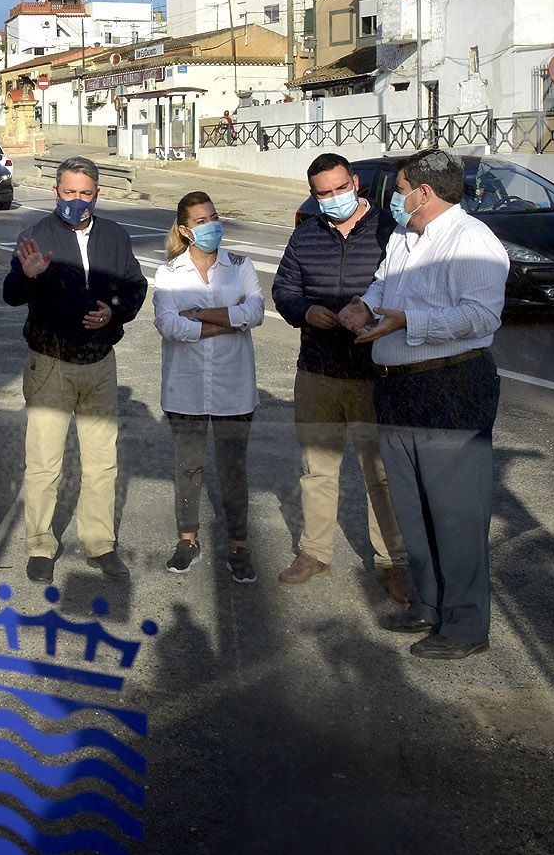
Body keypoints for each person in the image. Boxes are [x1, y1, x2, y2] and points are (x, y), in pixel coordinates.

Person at [338, 149, 508, 660]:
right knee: (413, 508)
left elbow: (481, 317)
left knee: (457, 513)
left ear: (425, 193)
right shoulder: (405, 236)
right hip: (397, 386)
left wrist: (408, 321)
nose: (394, 197)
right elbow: (385, 284)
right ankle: (429, 606)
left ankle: (464, 626)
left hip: (450, 387)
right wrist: (363, 305)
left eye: (400, 187)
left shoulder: (472, 241)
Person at [272, 154, 413, 605]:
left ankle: (393, 562)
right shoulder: (306, 233)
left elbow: (406, 291)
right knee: (316, 469)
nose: (333, 199)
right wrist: (305, 312)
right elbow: (284, 290)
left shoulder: (392, 234)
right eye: (323, 194)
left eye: (339, 188)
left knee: (381, 473)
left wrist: (370, 313)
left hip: (376, 373)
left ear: (356, 183)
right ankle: (315, 552)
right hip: (317, 370)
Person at [3, 157, 148, 584]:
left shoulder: (115, 237)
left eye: (86, 193)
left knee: (102, 462)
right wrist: (28, 277)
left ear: (97, 193)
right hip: (50, 364)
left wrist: (114, 315)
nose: (77, 200)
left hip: (100, 364)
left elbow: (134, 287)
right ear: (56, 192)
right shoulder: (35, 236)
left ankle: (99, 543)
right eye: (70, 192)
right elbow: (11, 294)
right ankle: (41, 545)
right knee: (45, 463)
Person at [150, 192, 265, 582]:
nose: (211, 225)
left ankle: (238, 545)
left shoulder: (240, 265)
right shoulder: (168, 273)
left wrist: (198, 314)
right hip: (185, 388)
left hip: (234, 387)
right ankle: (188, 540)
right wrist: (227, 323)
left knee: (233, 469)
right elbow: (168, 325)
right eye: (201, 220)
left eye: (213, 216)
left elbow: (255, 313)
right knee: (188, 467)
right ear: (184, 230)